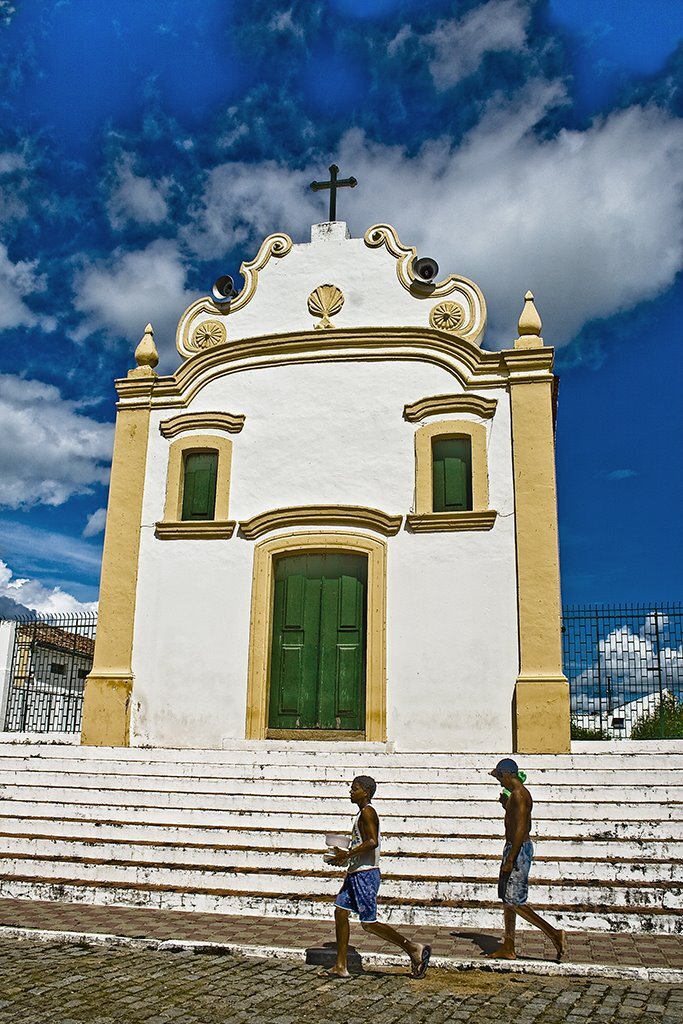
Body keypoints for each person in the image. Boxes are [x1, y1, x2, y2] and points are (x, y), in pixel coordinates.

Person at [326, 775, 431, 979]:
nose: (350, 791)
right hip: (355, 872)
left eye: (354, 788)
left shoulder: (368, 812)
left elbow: (372, 841)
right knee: (340, 911)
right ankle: (341, 965)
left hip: (365, 874)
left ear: (365, 792)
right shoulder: (361, 814)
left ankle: (412, 948)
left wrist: (346, 854)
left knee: (369, 923)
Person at [488, 757, 566, 961]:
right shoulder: (514, 796)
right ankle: (508, 945)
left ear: (506, 775)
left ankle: (553, 934)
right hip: (513, 848)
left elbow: (522, 827)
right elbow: (516, 820)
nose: (499, 782)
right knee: (507, 900)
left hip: (518, 850)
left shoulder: (521, 795)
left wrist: (511, 859)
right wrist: (506, 806)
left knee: (517, 902)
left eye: (499, 777)